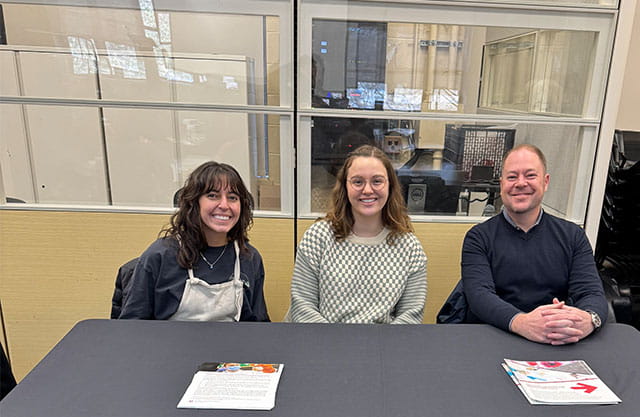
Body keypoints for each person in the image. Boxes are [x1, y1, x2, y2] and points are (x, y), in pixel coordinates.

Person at [461, 144, 607, 344]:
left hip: (558, 340)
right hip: (495, 337)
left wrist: (588, 320)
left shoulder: (573, 236)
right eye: (512, 177)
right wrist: (523, 323)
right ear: (501, 183)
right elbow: (479, 297)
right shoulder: (478, 238)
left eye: (530, 175)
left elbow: (591, 293)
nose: (521, 183)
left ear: (545, 182)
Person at [289, 145, 427, 324]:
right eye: (358, 181)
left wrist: (378, 348)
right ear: (345, 186)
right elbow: (302, 307)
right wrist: (336, 346)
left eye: (377, 181)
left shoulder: (409, 247)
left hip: (383, 346)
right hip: (325, 343)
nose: (368, 190)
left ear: (390, 186)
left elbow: (411, 316)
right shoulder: (318, 237)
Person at [120, 161, 268, 322]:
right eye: (213, 195)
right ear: (194, 202)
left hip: (229, 346)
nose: (224, 205)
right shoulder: (160, 256)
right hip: (168, 345)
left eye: (232, 197)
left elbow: (257, 326)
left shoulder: (249, 258)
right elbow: (132, 325)